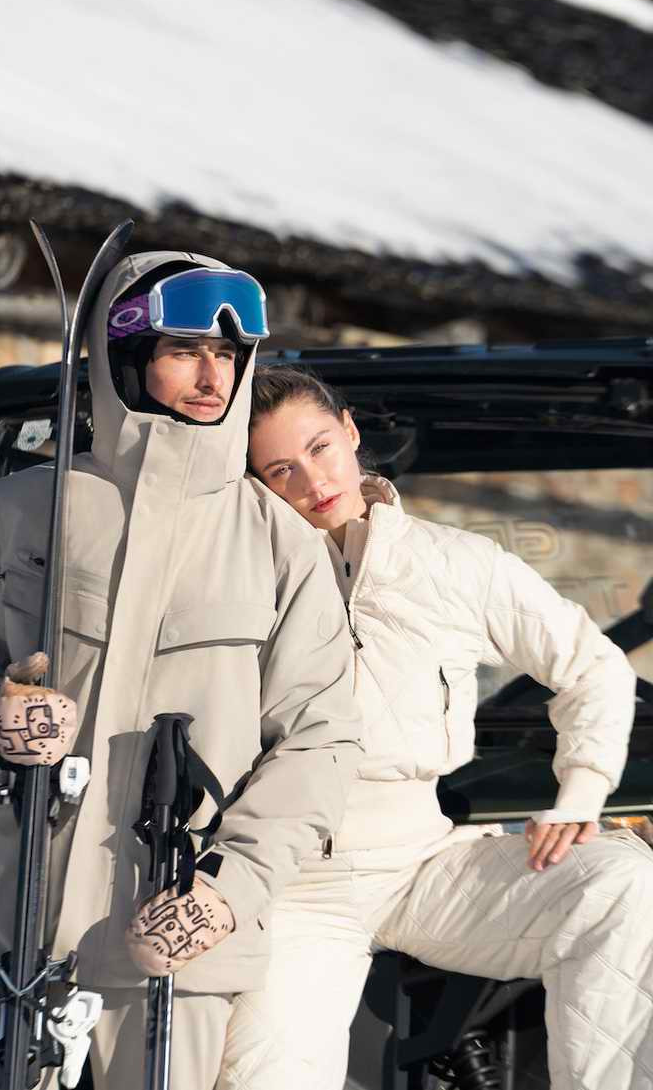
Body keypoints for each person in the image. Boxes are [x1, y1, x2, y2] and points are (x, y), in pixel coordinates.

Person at [0, 255, 361, 1090]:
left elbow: (321, 742)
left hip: (170, 934)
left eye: (227, 355)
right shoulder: (17, 510)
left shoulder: (279, 545)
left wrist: (228, 889)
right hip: (10, 924)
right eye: (185, 351)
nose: (212, 376)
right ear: (125, 357)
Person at [218, 364, 653, 1090]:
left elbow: (592, 666)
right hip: (293, 883)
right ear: (257, 483)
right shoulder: (236, 580)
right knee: (261, 1075)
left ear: (350, 431)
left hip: (424, 861)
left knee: (620, 883)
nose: (313, 480)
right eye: (281, 469)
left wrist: (580, 795)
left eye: (321, 448)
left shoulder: (456, 563)